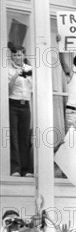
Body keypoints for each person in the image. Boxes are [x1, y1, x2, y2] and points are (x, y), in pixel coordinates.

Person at [7, 44, 33, 177]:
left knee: (25, 137)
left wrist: (28, 78)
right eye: (15, 55)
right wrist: (14, 76)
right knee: (14, 137)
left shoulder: (30, 69)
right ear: (12, 56)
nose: (17, 57)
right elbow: (7, 90)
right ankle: (15, 169)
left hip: (26, 105)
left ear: (24, 55)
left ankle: (26, 169)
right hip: (13, 104)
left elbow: (34, 89)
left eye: (20, 54)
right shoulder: (8, 69)